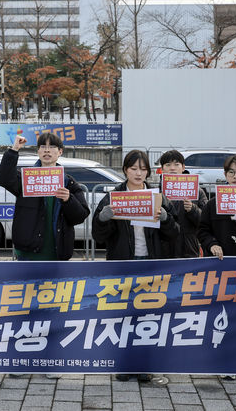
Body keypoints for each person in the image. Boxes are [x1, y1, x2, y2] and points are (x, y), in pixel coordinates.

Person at [92, 149, 178, 385]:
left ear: (148, 171)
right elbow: (98, 235)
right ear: (125, 170)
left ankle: (144, 366)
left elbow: (174, 233)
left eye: (143, 169)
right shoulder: (113, 196)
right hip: (122, 264)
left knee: (148, 317)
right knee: (122, 317)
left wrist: (166, 219)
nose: (138, 173)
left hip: (151, 265)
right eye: (133, 168)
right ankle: (124, 364)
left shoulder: (157, 196)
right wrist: (103, 218)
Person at [0, 132, 90, 261]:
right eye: (43, 147)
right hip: (27, 253)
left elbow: (80, 216)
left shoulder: (68, 182)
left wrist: (69, 200)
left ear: (60, 151)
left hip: (57, 253)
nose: (47, 150)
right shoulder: (27, 178)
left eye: (52, 147)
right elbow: (2, 178)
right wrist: (14, 150)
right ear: (38, 151)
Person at [158, 150, 208, 258]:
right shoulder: (156, 192)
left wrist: (193, 209)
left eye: (176, 164)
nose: (172, 168)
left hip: (188, 248)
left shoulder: (197, 191)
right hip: (163, 249)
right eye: (168, 165)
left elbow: (206, 222)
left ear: (183, 167)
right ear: (162, 169)